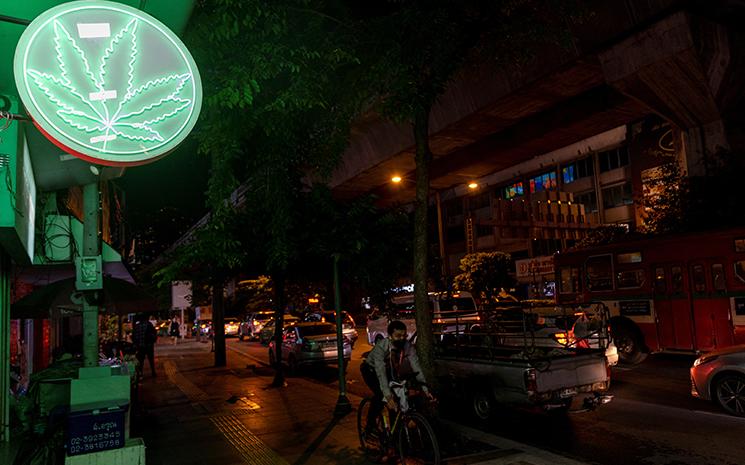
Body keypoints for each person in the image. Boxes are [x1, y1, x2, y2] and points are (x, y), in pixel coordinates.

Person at [360, 320, 434, 433]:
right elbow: (380, 372)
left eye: (404, 335)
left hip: (389, 370)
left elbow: (416, 367)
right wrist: (388, 396)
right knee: (381, 395)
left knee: (399, 396)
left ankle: (396, 433)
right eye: (398, 336)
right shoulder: (381, 347)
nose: (402, 338)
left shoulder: (407, 346)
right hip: (370, 370)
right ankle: (370, 424)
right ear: (389, 336)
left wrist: (426, 389)